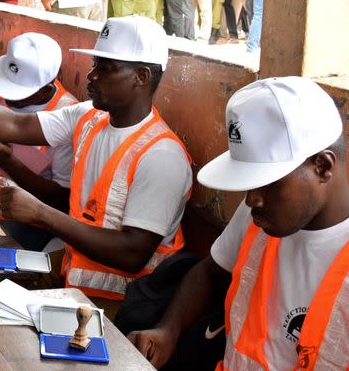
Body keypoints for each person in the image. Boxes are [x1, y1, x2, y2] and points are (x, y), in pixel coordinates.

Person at [0, 16, 192, 316]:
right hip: (74, 272)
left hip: (123, 302)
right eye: (94, 66)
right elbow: (12, 124)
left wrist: (40, 213)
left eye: (105, 68)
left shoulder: (162, 156)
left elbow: (132, 255)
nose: (91, 77)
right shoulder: (89, 117)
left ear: (140, 76)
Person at [128, 76, 349, 371]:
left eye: (266, 183)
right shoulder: (260, 216)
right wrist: (169, 329)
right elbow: (210, 272)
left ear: (322, 166)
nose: (251, 200)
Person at [0, 33, 78, 250]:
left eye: (16, 94)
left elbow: (61, 199)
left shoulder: (67, 117)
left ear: (46, 89)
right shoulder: (2, 89)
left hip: (29, 222)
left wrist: (8, 162)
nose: (7, 99)